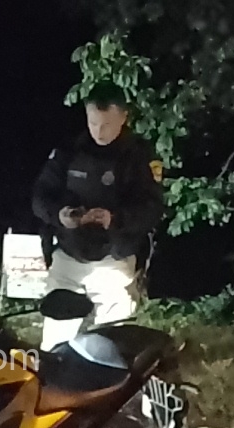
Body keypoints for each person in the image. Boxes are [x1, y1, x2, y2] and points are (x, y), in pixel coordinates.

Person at [32, 82, 165, 351]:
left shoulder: (139, 156)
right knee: (53, 349)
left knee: (113, 349)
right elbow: (40, 198)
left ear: (124, 117)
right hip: (69, 257)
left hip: (114, 263)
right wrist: (61, 215)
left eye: (107, 124)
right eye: (93, 123)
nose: (99, 132)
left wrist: (114, 219)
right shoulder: (69, 150)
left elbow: (152, 209)